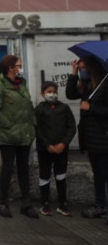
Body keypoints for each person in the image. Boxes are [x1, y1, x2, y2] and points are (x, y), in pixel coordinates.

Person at [0, 55, 38, 219]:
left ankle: (26, 204)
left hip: (24, 134)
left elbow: (28, 106)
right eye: (19, 65)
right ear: (10, 67)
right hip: (8, 135)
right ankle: (3, 203)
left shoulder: (21, 84)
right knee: (8, 169)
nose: (21, 68)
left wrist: (32, 124)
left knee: (24, 169)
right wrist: (9, 125)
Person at [66, 56, 108, 220]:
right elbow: (70, 94)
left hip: (103, 139)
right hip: (90, 139)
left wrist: (91, 108)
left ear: (93, 68)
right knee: (97, 174)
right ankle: (100, 205)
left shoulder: (105, 86)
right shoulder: (88, 86)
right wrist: (74, 74)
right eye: (81, 68)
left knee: (105, 174)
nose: (82, 71)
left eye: (84, 68)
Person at [34, 80, 76, 216]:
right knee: (45, 176)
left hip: (62, 150)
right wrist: (48, 145)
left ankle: (62, 203)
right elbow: (37, 129)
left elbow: (71, 127)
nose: (52, 94)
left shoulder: (64, 108)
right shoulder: (39, 109)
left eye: (54, 91)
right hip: (45, 150)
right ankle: (45, 203)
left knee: (61, 175)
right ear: (42, 94)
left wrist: (63, 143)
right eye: (49, 92)